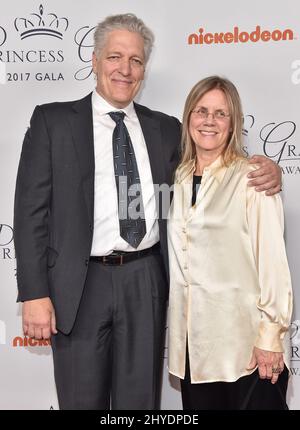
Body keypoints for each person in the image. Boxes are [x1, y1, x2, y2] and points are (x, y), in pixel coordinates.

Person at [14, 13, 281, 410]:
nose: (125, 69)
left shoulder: (167, 129)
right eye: (115, 57)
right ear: (94, 59)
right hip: (80, 287)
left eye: (136, 60)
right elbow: (30, 212)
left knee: (140, 404)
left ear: (145, 68)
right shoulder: (53, 121)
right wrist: (35, 293)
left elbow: (208, 174)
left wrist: (271, 170)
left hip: (146, 281)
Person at [167, 76, 293, 410]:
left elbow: (273, 264)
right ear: (188, 117)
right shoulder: (177, 177)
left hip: (247, 352)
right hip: (195, 354)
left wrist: (270, 337)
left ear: (234, 122)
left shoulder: (252, 178)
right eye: (201, 111)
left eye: (221, 113)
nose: (209, 120)